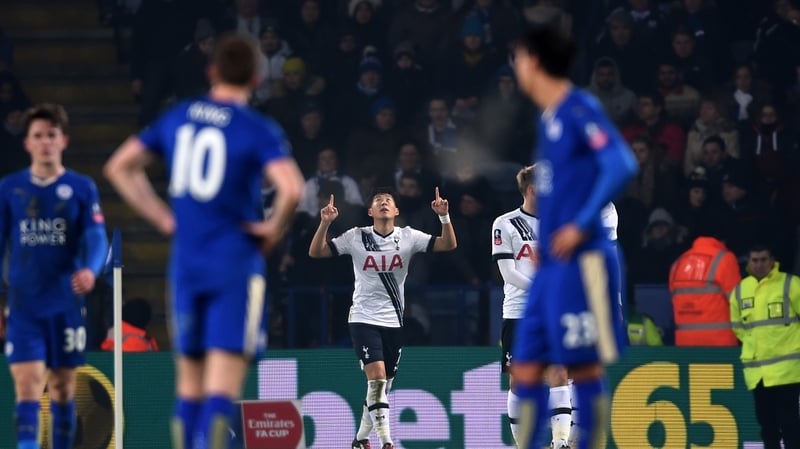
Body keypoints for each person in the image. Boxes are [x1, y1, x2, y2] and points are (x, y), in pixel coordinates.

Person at [103, 34, 305, 449]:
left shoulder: (178, 117)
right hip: (233, 262)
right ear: (256, 77)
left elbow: (120, 167)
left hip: (187, 263)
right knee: (221, 387)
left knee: (189, 385)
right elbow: (292, 189)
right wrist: (271, 229)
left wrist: (162, 217)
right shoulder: (255, 128)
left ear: (211, 72)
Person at [510, 26, 638, 449]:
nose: (515, 66)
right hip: (552, 266)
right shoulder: (547, 119)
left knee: (583, 371)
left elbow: (621, 163)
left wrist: (582, 222)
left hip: (585, 260)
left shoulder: (578, 107)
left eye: (519, 57)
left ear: (534, 62)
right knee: (525, 367)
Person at [308, 187, 457, 449]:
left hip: (394, 321)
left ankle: (360, 439)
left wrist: (444, 217)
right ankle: (387, 442)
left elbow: (448, 244)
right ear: (371, 212)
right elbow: (316, 252)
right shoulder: (356, 237)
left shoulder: (408, 236)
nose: (384, 203)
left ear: (396, 210)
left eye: (389, 200)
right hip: (363, 317)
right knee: (376, 379)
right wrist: (324, 223)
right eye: (378, 201)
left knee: (382, 388)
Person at [0, 103, 109, 449]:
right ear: (27, 143)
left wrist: (91, 270)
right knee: (28, 385)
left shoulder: (81, 187)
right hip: (25, 305)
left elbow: (96, 237)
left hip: (65, 304)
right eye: (38, 136)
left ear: (64, 141)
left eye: (52, 135)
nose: (45, 141)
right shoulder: (10, 188)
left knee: (63, 388)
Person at [492, 166, 571, 448]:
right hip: (519, 312)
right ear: (534, 190)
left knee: (559, 372)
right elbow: (508, 273)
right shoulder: (505, 223)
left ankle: (560, 443)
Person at [730, 244, 800, 449]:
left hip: (787, 371)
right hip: (758, 373)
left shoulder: (790, 284)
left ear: (772, 261)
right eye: (755, 260)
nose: (759, 264)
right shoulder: (740, 290)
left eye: (763, 260)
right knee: (767, 425)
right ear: (748, 263)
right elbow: (739, 328)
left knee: (790, 424)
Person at [669, 234, 741, 346]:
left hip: (684, 343)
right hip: (720, 343)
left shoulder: (678, 262)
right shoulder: (725, 258)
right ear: (722, 241)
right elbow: (737, 301)